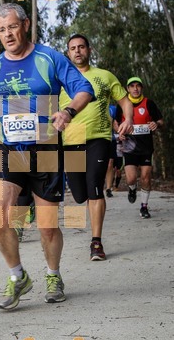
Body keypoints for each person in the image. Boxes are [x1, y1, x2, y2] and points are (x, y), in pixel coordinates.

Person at [0, 3, 94, 311]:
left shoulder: (49, 58)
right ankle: (17, 276)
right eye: (1, 30)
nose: (7, 34)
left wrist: (68, 111)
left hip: (44, 149)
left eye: (12, 27)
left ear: (25, 25)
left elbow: (84, 89)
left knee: (46, 226)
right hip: (8, 149)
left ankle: (53, 275)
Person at [60, 35, 133, 260]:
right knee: (80, 194)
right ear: (68, 53)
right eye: (73, 48)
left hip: (98, 139)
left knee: (94, 187)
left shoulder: (104, 76)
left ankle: (96, 243)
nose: (77, 51)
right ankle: (90, 213)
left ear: (89, 50)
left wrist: (127, 119)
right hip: (70, 141)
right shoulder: (61, 79)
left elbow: (124, 100)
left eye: (81, 47)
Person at [118, 77, 164, 218]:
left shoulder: (148, 103)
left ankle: (144, 207)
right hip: (130, 147)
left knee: (145, 177)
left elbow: (160, 120)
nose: (135, 88)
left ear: (141, 88)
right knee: (131, 179)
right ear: (128, 89)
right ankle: (132, 189)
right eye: (132, 86)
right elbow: (115, 122)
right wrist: (120, 133)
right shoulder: (123, 104)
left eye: (138, 86)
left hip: (146, 148)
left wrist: (156, 124)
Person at [105, 104, 123, 197]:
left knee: (110, 163)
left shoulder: (113, 109)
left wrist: (121, 132)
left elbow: (116, 124)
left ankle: (108, 188)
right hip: (95, 140)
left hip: (110, 139)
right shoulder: (90, 104)